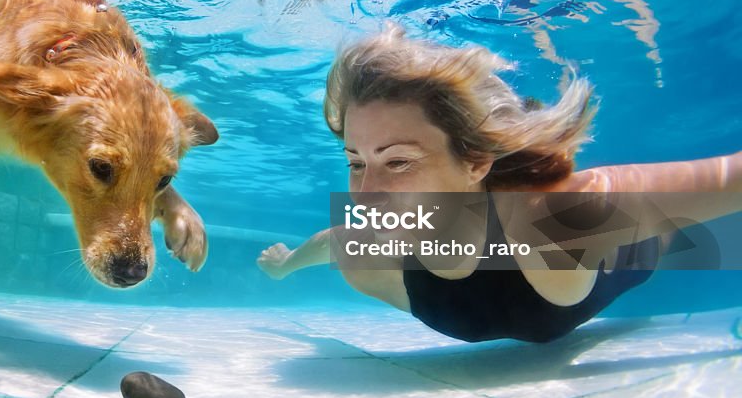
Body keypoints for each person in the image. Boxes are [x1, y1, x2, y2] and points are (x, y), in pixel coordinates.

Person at [257, 25, 742, 342]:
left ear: (474, 162)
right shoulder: (368, 257)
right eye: (357, 162)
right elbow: (333, 242)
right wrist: (284, 264)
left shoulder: (555, 221)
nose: (365, 195)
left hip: (633, 248)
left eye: (399, 161)